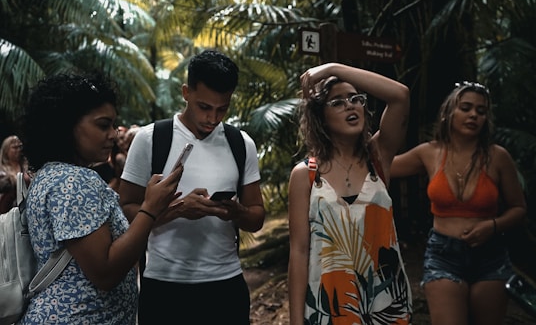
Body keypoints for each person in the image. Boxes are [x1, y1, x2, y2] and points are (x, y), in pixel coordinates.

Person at [18, 73, 183, 324]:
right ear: (66, 125)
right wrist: (150, 208)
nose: (114, 135)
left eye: (114, 126)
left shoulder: (52, 174)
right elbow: (105, 271)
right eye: (103, 125)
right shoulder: (74, 182)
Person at [118, 49, 265, 324]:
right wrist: (177, 209)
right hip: (164, 286)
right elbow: (125, 210)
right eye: (204, 107)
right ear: (186, 93)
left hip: (226, 284)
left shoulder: (241, 143)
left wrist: (235, 211)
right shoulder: (151, 139)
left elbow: (256, 216)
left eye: (222, 108)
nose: (213, 118)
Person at [389, 81, 527, 325]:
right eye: (466, 108)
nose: (473, 114)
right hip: (444, 255)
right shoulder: (429, 153)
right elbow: (382, 166)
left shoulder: (497, 156)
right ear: (449, 112)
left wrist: (492, 226)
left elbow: (519, 209)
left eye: (481, 111)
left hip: (491, 256)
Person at [288, 62, 413, 324]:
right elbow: (299, 252)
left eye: (355, 99)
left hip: (385, 307)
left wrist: (334, 69)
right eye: (337, 102)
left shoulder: (378, 157)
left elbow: (400, 96)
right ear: (320, 116)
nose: (350, 105)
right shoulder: (306, 175)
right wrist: (296, 320)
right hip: (330, 308)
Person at [0, 135, 30, 214]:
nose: (18, 150)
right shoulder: (2, 169)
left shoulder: (25, 168)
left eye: (19, 147)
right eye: (15, 148)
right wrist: (12, 180)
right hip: (5, 213)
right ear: (6, 150)